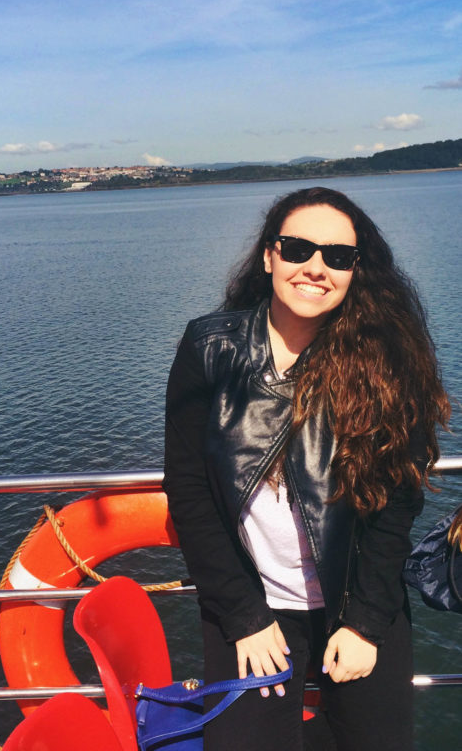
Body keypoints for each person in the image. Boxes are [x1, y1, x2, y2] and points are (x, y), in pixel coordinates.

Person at [163, 187, 451, 751]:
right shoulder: (211, 347)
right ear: (269, 255)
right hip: (251, 603)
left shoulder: (387, 360)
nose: (316, 268)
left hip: (360, 598)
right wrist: (242, 615)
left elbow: (397, 505)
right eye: (297, 249)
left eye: (338, 257)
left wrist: (365, 623)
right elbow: (190, 490)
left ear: (355, 272)